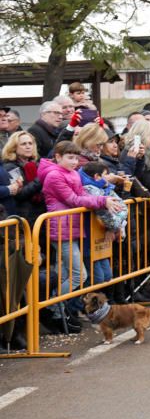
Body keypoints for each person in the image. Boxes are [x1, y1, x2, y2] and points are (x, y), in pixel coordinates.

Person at [37, 141, 123, 332]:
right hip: (61, 229)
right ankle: (51, 308)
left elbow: (82, 193)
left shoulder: (72, 173)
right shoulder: (53, 175)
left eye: (76, 158)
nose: (74, 161)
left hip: (72, 227)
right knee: (79, 275)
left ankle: (59, 311)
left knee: (69, 274)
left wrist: (103, 193)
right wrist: (102, 200)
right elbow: (73, 200)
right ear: (58, 157)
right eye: (70, 157)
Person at [2, 131, 45, 224]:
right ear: (14, 147)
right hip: (24, 216)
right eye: (23, 144)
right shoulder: (10, 167)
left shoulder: (35, 163)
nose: (28, 146)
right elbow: (20, 194)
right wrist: (40, 179)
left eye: (30, 143)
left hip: (40, 214)